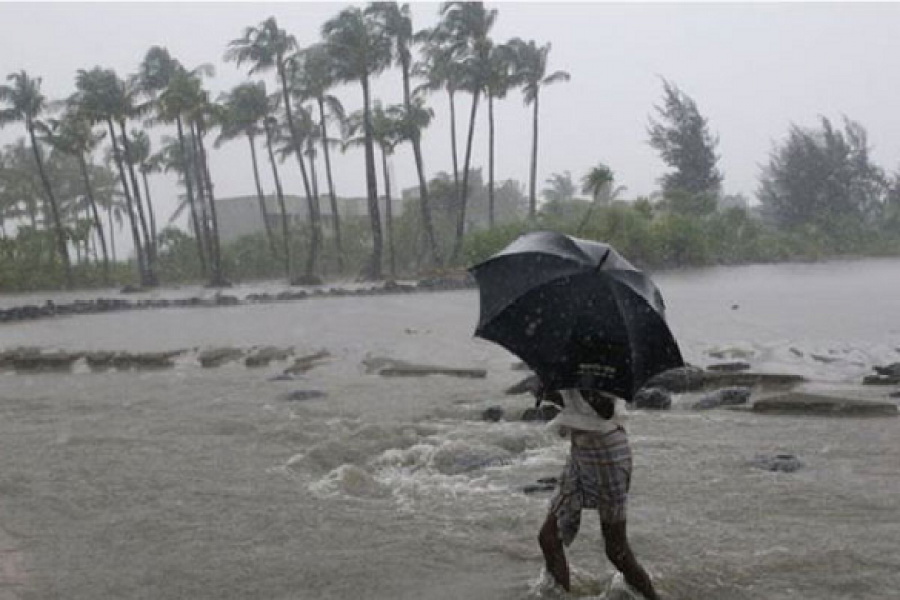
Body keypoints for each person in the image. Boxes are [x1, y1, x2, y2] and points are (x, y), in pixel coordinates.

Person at [537, 383, 661, 600]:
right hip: (581, 449)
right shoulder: (574, 360)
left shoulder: (599, 366)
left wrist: (580, 381)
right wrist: (551, 391)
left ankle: (652, 597)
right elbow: (576, 407)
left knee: (616, 550)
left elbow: (605, 410)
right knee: (548, 538)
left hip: (607, 452)